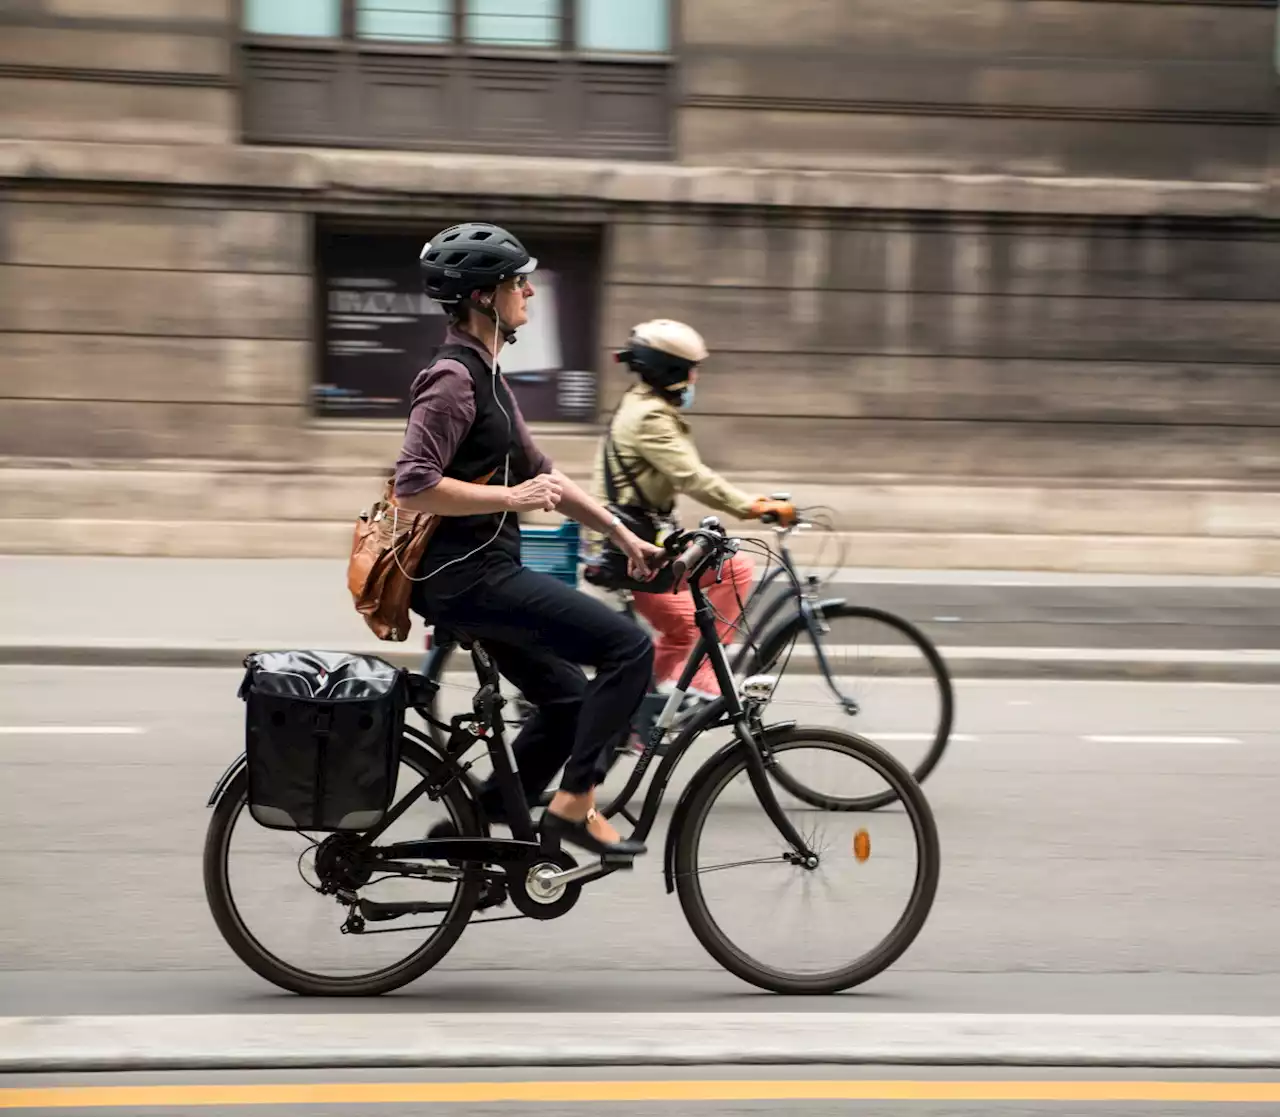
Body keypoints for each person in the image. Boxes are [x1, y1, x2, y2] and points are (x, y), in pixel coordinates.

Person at [393, 221, 663, 861]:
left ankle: (474, 829)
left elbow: (545, 475)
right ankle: (573, 806)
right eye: (520, 283)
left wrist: (622, 534)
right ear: (485, 295)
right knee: (628, 649)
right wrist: (508, 500)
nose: (531, 294)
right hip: (469, 578)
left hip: (484, 574)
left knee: (570, 703)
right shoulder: (453, 379)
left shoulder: (488, 375)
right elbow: (414, 485)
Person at [587, 319, 795, 703]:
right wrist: (752, 506)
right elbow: (692, 477)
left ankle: (644, 702)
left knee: (730, 572)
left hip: (647, 535)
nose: (695, 377)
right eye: (690, 369)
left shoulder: (642, 404)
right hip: (633, 548)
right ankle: (684, 680)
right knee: (687, 621)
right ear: (670, 371)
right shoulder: (650, 418)